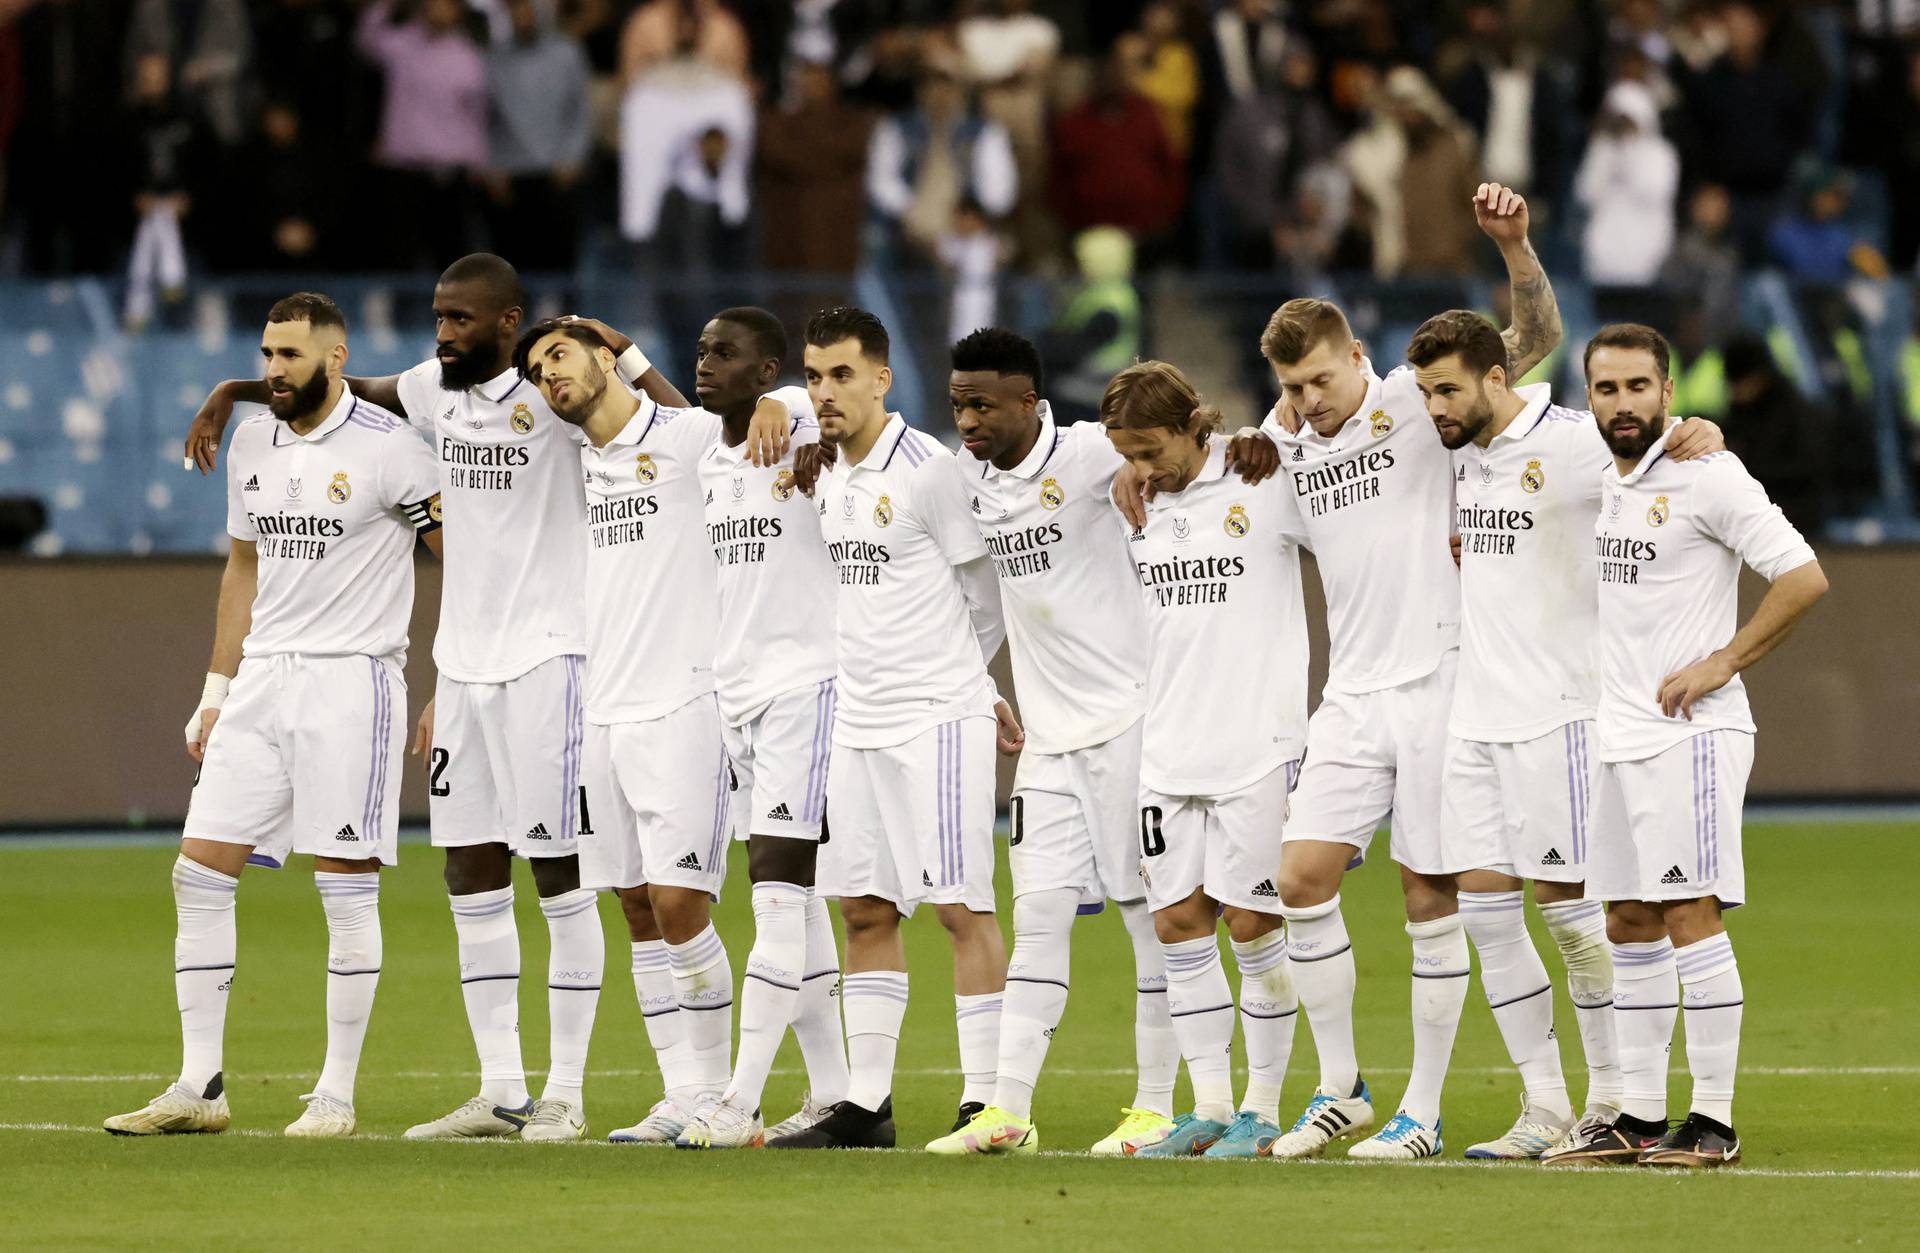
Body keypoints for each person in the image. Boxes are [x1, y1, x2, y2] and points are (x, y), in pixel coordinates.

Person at [180, 254, 686, 1143]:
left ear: (508, 321)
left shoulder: (558, 398)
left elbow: (678, 433)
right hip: (463, 670)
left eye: (461, 318)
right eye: (438, 315)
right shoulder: (427, 388)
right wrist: (234, 389)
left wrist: (632, 357)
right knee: (469, 875)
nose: (443, 331)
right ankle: (502, 1089)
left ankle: (565, 1091)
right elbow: (337, 384)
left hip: (553, 661)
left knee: (561, 876)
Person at [1127, 184, 1559, 1160]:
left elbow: (1529, 337)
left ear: (1358, 359)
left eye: (1321, 381)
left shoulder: (1419, 401)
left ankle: (1426, 1105)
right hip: (1352, 693)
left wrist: (1516, 249)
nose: (1308, 403)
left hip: (1443, 679)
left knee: (1429, 894)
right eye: (1291, 388)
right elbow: (1197, 470)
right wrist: (1143, 470)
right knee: (1299, 877)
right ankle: (1341, 1086)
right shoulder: (1274, 448)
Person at [924, 330, 1283, 1157]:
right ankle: (1007, 1109)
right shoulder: (958, 477)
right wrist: (981, 684)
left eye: (983, 403)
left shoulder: (1093, 455)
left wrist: (1256, 438)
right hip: (1049, 738)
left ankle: (1158, 1103)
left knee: (1152, 919)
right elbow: (964, 588)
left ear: (1030, 401)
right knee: (1040, 913)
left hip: (1132, 723)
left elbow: (1195, 449)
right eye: (959, 404)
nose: (969, 419)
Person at [106, 293, 443, 1138]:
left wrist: (456, 679)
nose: (272, 371)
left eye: (289, 356)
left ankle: (335, 1093)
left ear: (335, 358)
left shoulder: (393, 450)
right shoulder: (252, 439)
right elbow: (242, 570)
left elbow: (461, 562)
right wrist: (216, 690)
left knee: (345, 891)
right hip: (263, 680)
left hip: (353, 683)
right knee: (197, 872)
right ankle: (200, 1086)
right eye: (264, 354)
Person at [1406, 309, 1721, 1160]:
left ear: (1497, 378)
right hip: (1479, 713)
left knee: (1578, 920)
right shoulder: (1459, 452)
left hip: (1563, 714)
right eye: (1426, 391)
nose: (1432, 406)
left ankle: (1616, 1100)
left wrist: (1699, 430)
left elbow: (1666, 458)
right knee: (1484, 912)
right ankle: (1543, 1106)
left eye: (1445, 390)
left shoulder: (1579, 441)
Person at [1549, 323, 1827, 1168]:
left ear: (1670, 393)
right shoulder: (1601, 473)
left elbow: (1803, 574)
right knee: (1627, 919)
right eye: (1607, 389)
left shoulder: (1710, 473)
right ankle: (1637, 1116)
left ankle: (1713, 1119)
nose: (1623, 403)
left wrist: (1724, 660)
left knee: (1685, 912)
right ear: (1588, 396)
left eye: (1639, 387)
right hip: (1620, 732)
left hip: (1692, 736)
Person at [511, 314, 770, 1144]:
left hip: (686, 702)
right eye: (536, 368)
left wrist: (635, 354)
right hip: (606, 707)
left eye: (559, 354)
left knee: (681, 899)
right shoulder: (580, 462)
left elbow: (767, 405)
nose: (548, 374)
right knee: (633, 903)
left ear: (603, 357)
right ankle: (681, 1093)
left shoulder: (690, 435)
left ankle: (731, 1096)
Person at [773, 307, 1019, 1149]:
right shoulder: (829, 472)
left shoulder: (929, 470)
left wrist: (967, 682)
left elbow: (984, 592)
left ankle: (985, 1100)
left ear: (882, 378)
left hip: (937, 717)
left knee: (959, 907)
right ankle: (866, 1104)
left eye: (841, 375)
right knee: (865, 908)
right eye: (813, 376)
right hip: (858, 720)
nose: (824, 392)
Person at [1097, 361, 1312, 1159]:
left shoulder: (1264, 476)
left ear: (1195, 423)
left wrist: (1268, 429)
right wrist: (1132, 467)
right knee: (1178, 925)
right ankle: (1211, 1104)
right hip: (1169, 746)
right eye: (1127, 452)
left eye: (1150, 447)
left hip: (1256, 743)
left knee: (1254, 923)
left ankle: (1261, 1106)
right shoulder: (1137, 500)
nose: (1142, 467)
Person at [682, 309, 851, 1148]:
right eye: (703, 351)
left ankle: (739, 1099)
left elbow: (849, 404)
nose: (706, 364)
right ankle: (843, 1099)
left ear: (769, 368)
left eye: (726, 354)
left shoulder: (800, 428)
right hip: (738, 694)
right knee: (799, 903)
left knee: (777, 893)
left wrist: (790, 398)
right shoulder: (706, 456)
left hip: (806, 687)